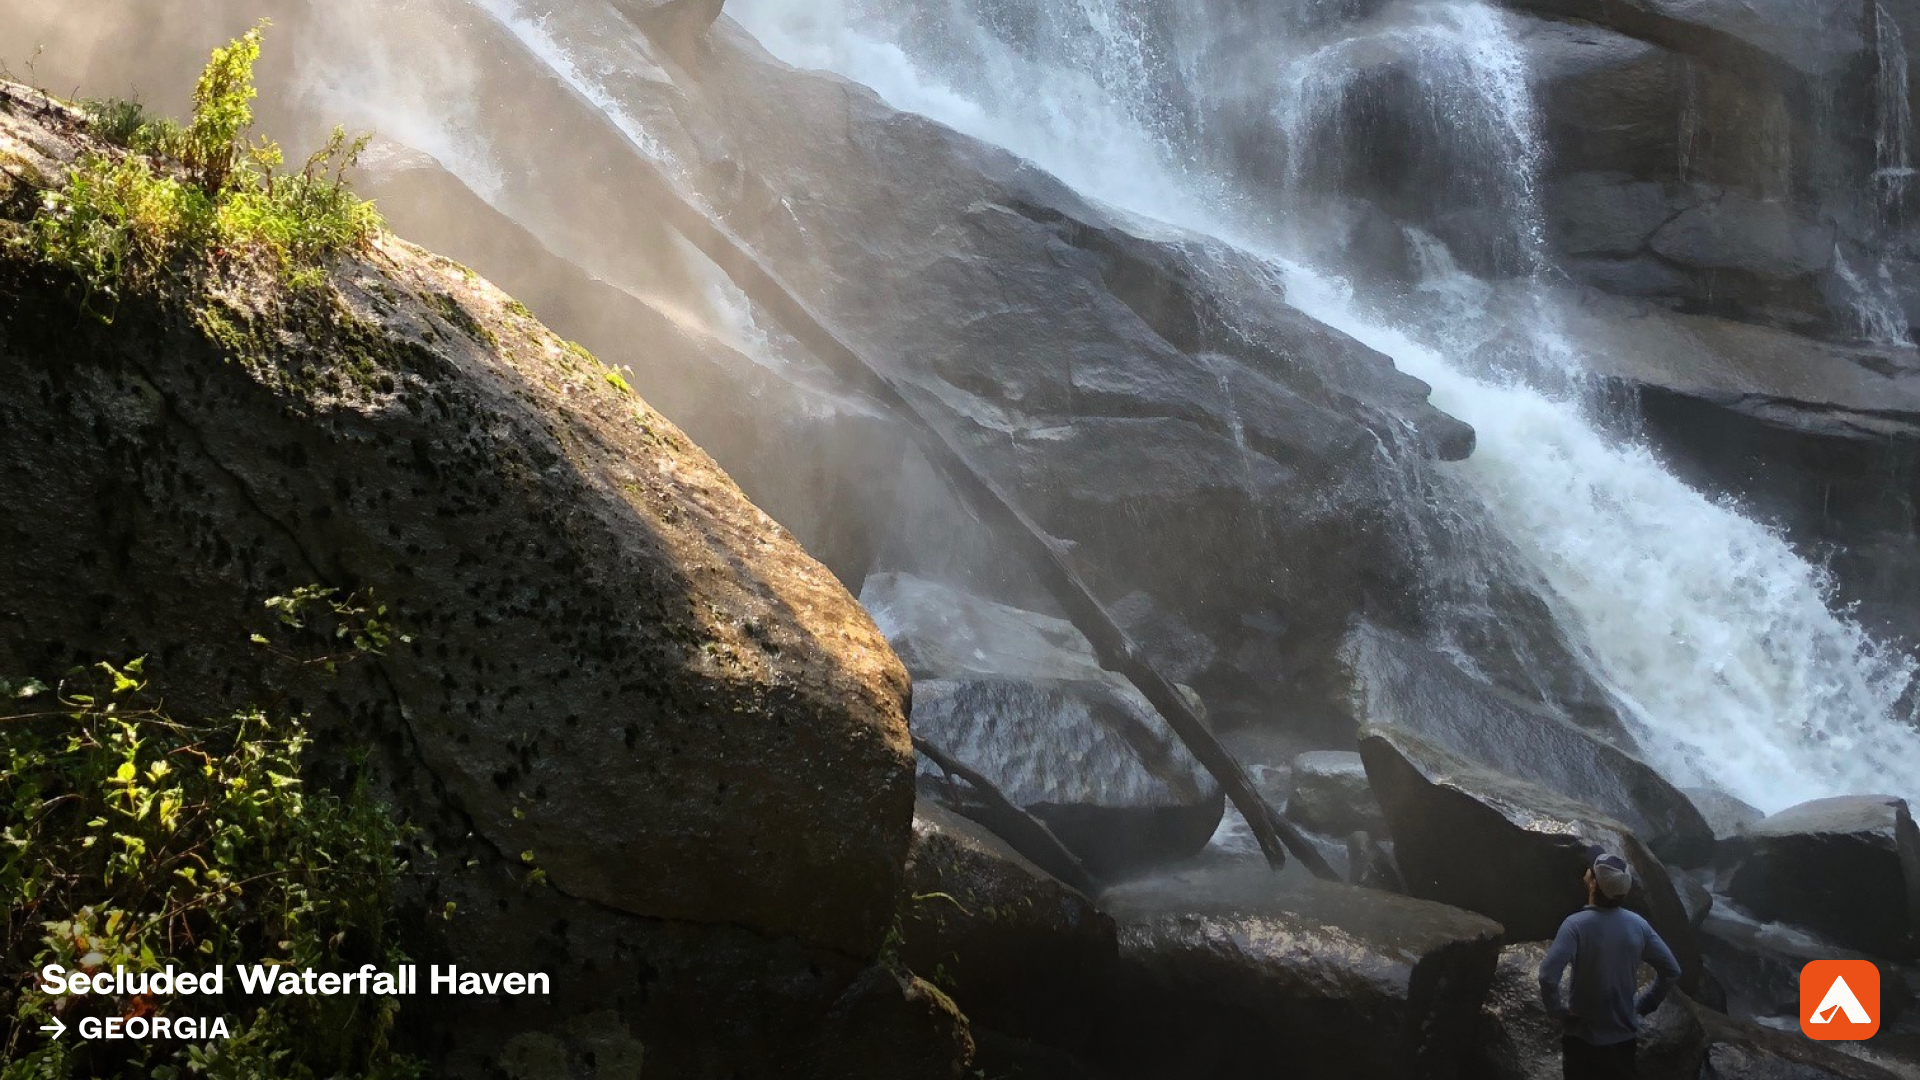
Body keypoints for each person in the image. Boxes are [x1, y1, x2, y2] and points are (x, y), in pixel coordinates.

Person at [1538, 845, 1684, 1080]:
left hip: (1582, 1039)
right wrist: (1643, 1005)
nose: (1587, 870)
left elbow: (1547, 975)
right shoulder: (1638, 925)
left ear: (1593, 883)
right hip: (1623, 1039)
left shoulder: (1575, 925)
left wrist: (1559, 1010)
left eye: (1591, 870)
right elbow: (1672, 971)